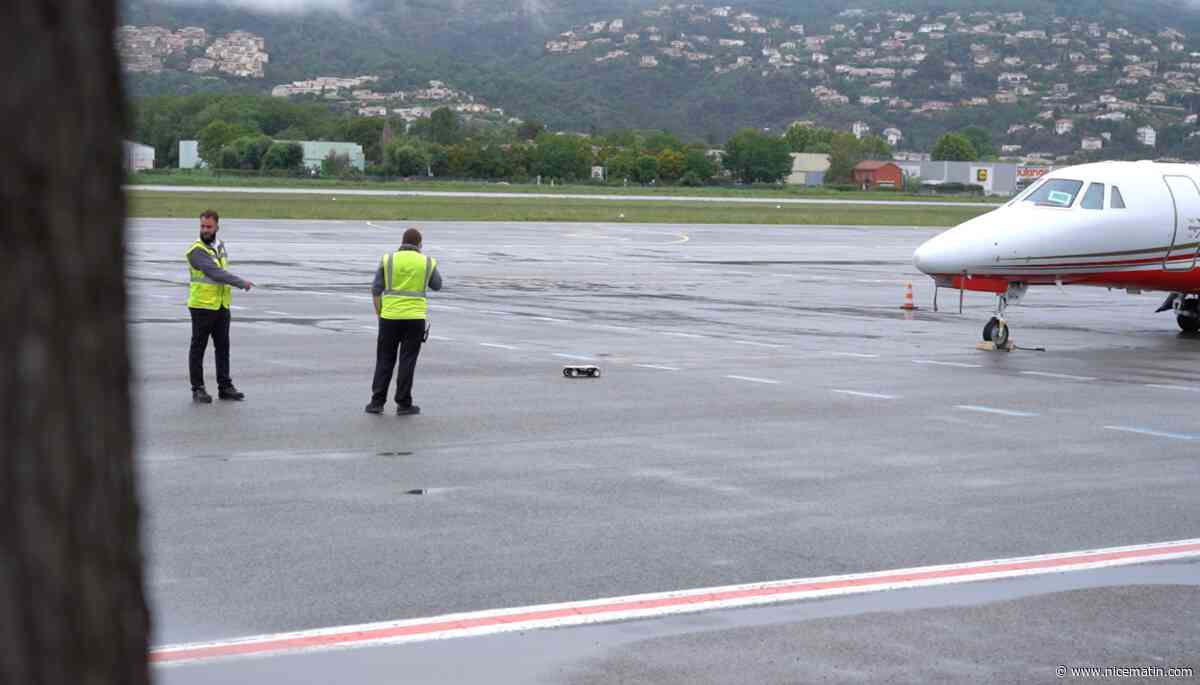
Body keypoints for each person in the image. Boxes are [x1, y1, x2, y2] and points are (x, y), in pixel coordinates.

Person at [366, 227, 442, 415]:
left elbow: (376, 290)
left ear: (402, 242)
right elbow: (437, 285)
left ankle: (377, 402)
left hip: (389, 317)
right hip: (415, 319)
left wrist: (380, 313)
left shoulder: (388, 260)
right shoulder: (426, 262)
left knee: (384, 359)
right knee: (407, 360)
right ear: (420, 244)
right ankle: (403, 403)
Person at [186, 209, 253, 403]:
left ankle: (225, 386)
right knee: (198, 348)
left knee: (223, 347)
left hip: (221, 305)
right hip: (202, 306)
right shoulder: (196, 250)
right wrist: (241, 282)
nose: (205, 230)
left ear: (217, 227)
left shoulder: (220, 246)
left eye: (209, 227)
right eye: (202, 226)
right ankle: (197, 388)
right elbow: (216, 273)